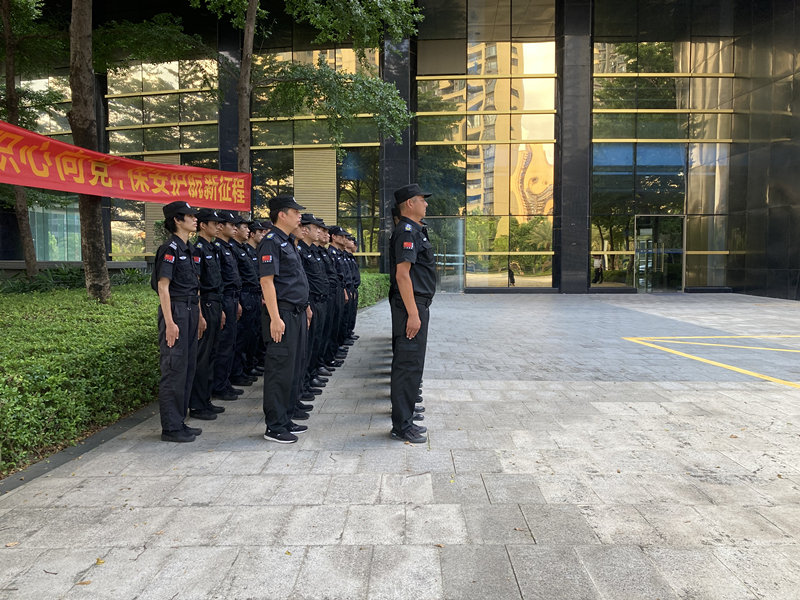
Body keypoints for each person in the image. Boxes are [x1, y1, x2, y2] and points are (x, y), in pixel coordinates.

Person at [257, 195, 311, 443]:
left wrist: (306, 306)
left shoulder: (287, 242)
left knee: (293, 368)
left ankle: (286, 418)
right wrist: (275, 317)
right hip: (283, 314)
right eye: (295, 211)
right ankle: (275, 426)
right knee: (279, 369)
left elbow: (294, 280)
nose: (299, 215)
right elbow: (267, 282)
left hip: (297, 312)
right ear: (282, 214)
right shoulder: (271, 242)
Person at [151, 201, 206, 443]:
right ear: (177, 219)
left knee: (187, 367)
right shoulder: (169, 248)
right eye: (190, 216)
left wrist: (200, 315)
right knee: (173, 369)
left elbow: (195, 286)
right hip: (176, 311)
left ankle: (179, 421)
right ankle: (171, 428)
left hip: (191, 309)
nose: (195, 219)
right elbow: (163, 287)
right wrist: (170, 322)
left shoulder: (189, 249)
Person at [389, 184, 436, 444]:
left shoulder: (416, 231)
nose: (425, 204)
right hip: (411, 306)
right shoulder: (406, 232)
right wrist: (413, 314)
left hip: (416, 305)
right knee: (407, 365)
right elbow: (402, 274)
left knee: (412, 364)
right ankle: (402, 426)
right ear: (410, 203)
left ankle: (405, 417)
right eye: (422, 200)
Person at [188, 208, 227, 420]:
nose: (218, 226)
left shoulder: (212, 248)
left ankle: (206, 399)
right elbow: (197, 284)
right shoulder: (198, 249)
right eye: (215, 223)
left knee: (212, 353)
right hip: (206, 304)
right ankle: (197, 404)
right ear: (203, 225)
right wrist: (201, 314)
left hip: (216, 303)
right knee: (202, 357)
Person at [212, 211, 246, 401]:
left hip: (234, 298)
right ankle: (219, 385)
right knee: (223, 344)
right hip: (224, 299)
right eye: (231, 225)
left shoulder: (228, 247)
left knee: (232, 342)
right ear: (221, 227)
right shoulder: (216, 248)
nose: (235, 228)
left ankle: (226, 382)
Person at [298, 214, 331, 400]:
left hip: (320, 300)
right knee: (308, 345)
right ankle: (304, 382)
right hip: (309, 303)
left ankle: (310, 378)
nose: (319, 231)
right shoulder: (301, 250)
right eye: (316, 228)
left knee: (316, 341)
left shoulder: (311, 250)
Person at [230, 219, 262, 386]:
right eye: (245, 227)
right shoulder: (233, 249)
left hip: (254, 295)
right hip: (243, 295)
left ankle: (248, 367)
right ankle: (237, 372)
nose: (248, 231)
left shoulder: (245, 250)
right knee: (241, 337)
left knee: (252, 334)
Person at [247, 220, 271, 375]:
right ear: (252, 233)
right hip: (247, 296)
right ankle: (244, 369)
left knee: (255, 334)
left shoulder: (256, 251)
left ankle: (253, 363)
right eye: (261, 232)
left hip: (257, 295)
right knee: (246, 336)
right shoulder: (245, 250)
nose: (263, 234)